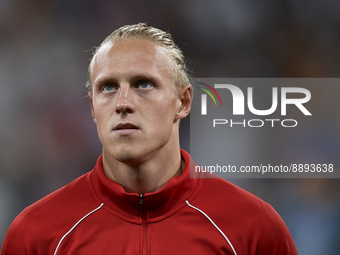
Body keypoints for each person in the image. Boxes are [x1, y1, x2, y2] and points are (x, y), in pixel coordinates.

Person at [1, 23, 297, 255]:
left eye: (143, 84)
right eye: (108, 87)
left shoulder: (254, 228)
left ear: (182, 102)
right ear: (92, 108)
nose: (123, 102)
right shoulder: (36, 234)